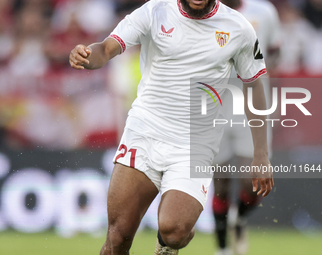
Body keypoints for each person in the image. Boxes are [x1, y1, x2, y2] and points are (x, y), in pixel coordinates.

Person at [69, 0, 274, 254]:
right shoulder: (154, 11)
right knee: (118, 237)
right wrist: (87, 57)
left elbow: (254, 85)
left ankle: (168, 243)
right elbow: (107, 47)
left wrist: (261, 153)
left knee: (174, 232)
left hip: (195, 144)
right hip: (145, 132)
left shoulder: (239, 27)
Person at [211, 0, 281, 255]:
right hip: (214, 106)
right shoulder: (202, 11)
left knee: (252, 183)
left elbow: (275, 51)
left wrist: (257, 71)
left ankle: (238, 217)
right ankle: (222, 249)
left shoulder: (263, 12)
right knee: (220, 183)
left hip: (252, 105)